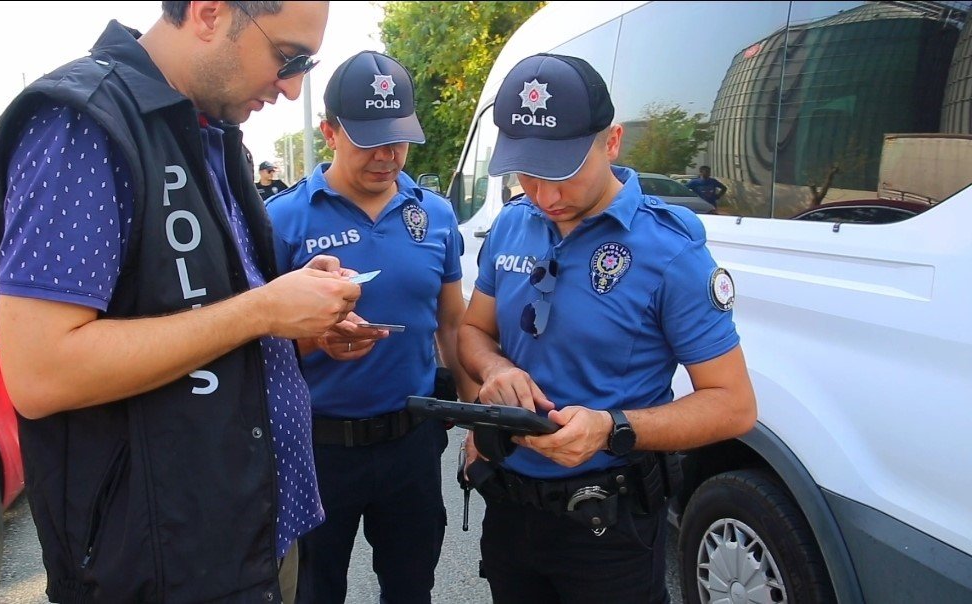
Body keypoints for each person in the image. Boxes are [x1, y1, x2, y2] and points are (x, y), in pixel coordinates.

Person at [0, 2, 358, 603]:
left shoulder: (205, 131)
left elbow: (199, 313)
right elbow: (41, 369)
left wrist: (296, 318)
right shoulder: (83, 123)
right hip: (162, 570)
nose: (292, 88)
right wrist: (261, 310)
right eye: (287, 58)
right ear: (209, 13)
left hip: (248, 546)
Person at [457, 53, 757, 604]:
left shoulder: (670, 250)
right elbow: (473, 332)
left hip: (608, 529)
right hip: (510, 510)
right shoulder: (511, 223)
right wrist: (495, 370)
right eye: (528, 172)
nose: (545, 196)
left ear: (611, 141)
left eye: (564, 171)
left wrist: (610, 427)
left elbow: (733, 404)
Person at [266, 50, 476, 604]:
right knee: (314, 592)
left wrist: (476, 417)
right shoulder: (283, 219)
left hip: (411, 441)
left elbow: (452, 325)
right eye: (369, 140)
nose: (387, 156)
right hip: (317, 449)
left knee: (411, 589)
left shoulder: (434, 214)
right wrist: (315, 339)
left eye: (399, 138)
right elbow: (252, 340)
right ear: (329, 131)